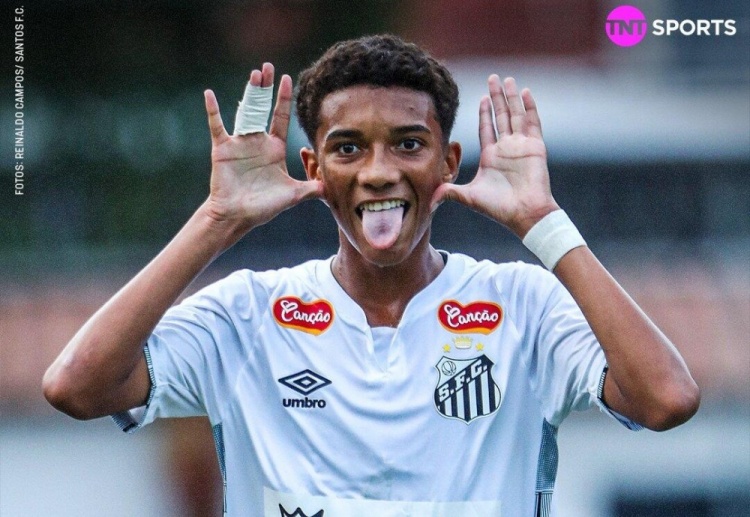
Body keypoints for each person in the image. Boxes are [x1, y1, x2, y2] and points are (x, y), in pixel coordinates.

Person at [44, 35, 699, 516]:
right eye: (348, 147)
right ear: (313, 167)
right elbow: (76, 385)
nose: (379, 171)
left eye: (408, 144)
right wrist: (216, 219)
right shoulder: (247, 314)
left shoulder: (522, 305)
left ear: (449, 162)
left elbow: (666, 399)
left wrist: (543, 222)